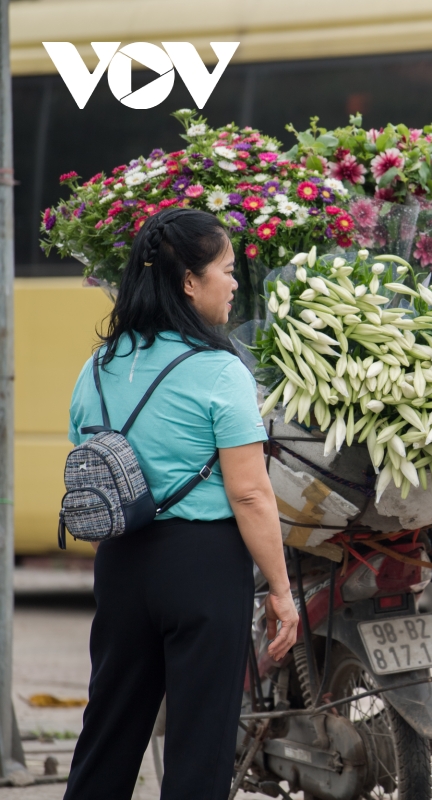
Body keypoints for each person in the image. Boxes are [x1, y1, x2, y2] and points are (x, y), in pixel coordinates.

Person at [63, 208, 299, 800]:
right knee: (200, 745)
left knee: (109, 732)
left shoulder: (98, 364)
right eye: (225, 269)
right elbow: (248, 492)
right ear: (190, 282)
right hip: (202, 566)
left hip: (120, 563)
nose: (235, 282)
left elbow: (92, 458)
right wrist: (280, 589)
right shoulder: (220, 371)